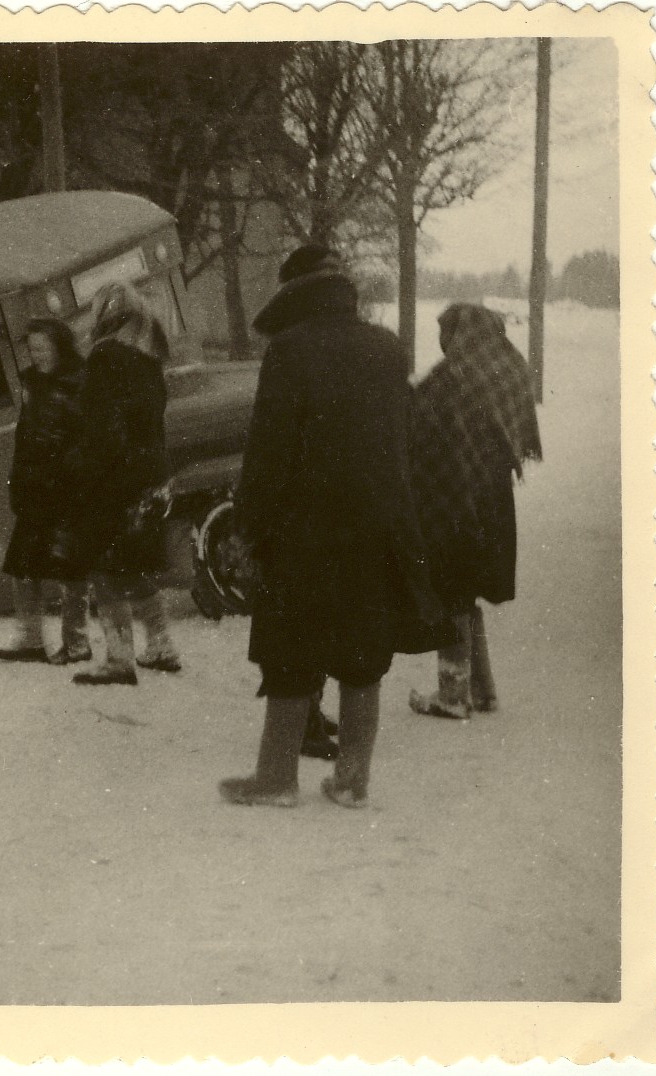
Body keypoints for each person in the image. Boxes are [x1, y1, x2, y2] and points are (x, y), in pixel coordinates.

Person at [219, 245, 447, 809]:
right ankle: (352, 781)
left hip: (304, 527)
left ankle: (275, 781)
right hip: (375, 523)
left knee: (292, 647)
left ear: (293, 296)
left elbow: (268, 450)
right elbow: (406, 439)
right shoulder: (387, 347)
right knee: (361, 650)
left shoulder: (289, 350)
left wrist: (248, 521)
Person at [408, 302, 542, 720]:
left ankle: (453, 694)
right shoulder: (510, 367)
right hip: (493, 500)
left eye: (446, 335)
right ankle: (482, 691)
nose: (444, 344)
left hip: (456, 495)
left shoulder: (454, 376)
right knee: (466, 591)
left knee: (451, 589)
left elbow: (419, 415)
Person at [66, 282, 179, 686]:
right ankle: (162, 645)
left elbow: (102, 432)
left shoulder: (103, 359)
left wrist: (82, 473)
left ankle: (119, 659)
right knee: (136, 564)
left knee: (104, 565)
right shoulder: (150, 361)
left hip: (117, 479)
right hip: (153, 477)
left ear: (103, 318)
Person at [0, 318, 91, 666]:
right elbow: (25, 437)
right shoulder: (32, 385)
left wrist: (71, 472)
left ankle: (77, 642)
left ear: (60, 347)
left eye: (42, 348)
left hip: (67, 489)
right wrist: (19, 482)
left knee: (70, 568)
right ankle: (31, 639)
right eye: (32, 349)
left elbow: (88, 437)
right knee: (23, 566)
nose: (36, 356)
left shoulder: (79, 382)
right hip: (36, 489)